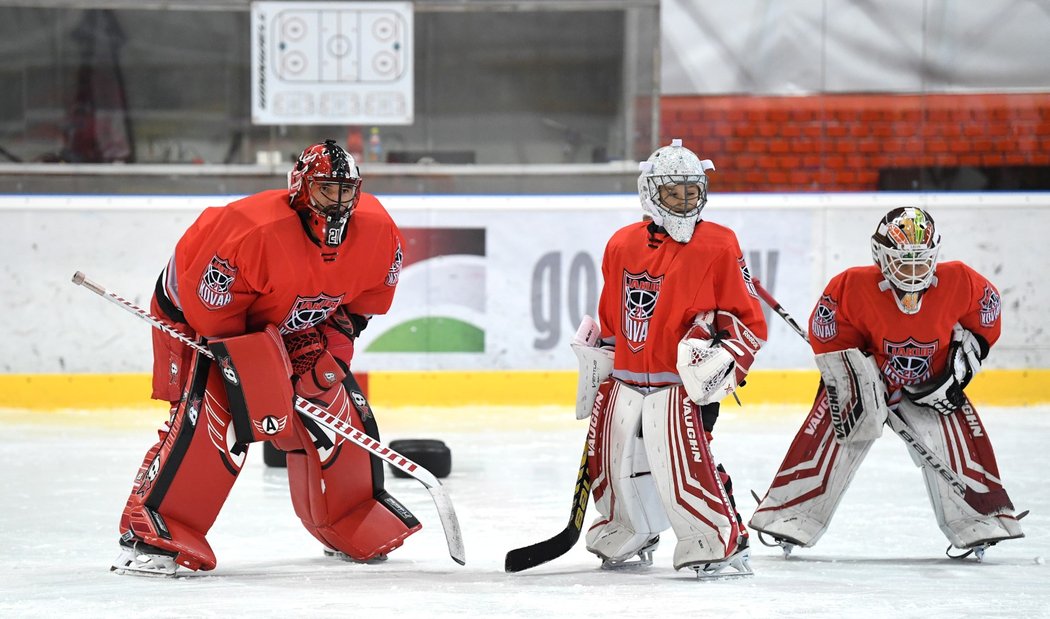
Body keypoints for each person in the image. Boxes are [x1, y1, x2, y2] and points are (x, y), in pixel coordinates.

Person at [111, 139, 417, 576]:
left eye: (346, 191)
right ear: (300, 187)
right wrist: (270, 361)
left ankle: (349, 514)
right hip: (200, 317)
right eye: (325, 190)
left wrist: (321, 347)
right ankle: (155, 529)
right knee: (220, 415)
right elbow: (212, 314)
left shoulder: (379, 232)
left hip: (291, 322)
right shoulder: (249, 230)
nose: (337, 202)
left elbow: (359, 310)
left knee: (330, 395)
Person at [750, 207, 1024, 561]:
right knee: (839, 423)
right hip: (871, 380)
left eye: (921, 262)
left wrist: (960, 366)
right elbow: (829, 341)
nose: (912, 272)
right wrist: (857, 377)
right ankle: (791, 514)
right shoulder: (851, 286)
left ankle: (979, 518)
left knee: (955, 437)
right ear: (880, 256)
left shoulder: (960, 280)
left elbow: (987, 317)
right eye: (902, 262)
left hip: (933, 385)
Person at [571, 139, 766, 578]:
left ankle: (717, 536)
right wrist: (600, 350)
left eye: (691, 191)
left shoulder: (718, 244)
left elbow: (748, 321)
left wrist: (723, 361)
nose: (684, 200)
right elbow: (612, 312)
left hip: (681, 386)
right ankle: (629, 528)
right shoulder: (621, 243)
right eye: (673, 192)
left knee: (682, 463)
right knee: (615, 460)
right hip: (626, 377)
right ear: (650, 194)